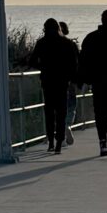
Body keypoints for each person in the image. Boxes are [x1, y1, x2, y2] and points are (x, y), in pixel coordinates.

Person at [34, 18, 81, 153]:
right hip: (62, 82)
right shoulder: (67, 43)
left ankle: (50, 142)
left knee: (49, 113)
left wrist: (42, 66)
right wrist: (75, 79)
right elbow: (74, 64)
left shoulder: (41, 43)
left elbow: (33, 60)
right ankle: (59, 143)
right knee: (62, 113)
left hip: (47, 82)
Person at [79, 8, 107, 156]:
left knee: (101, 114)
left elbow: (84, 61)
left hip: (99, 83)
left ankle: (103, 142)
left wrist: (84, 80)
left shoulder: (91, 38)